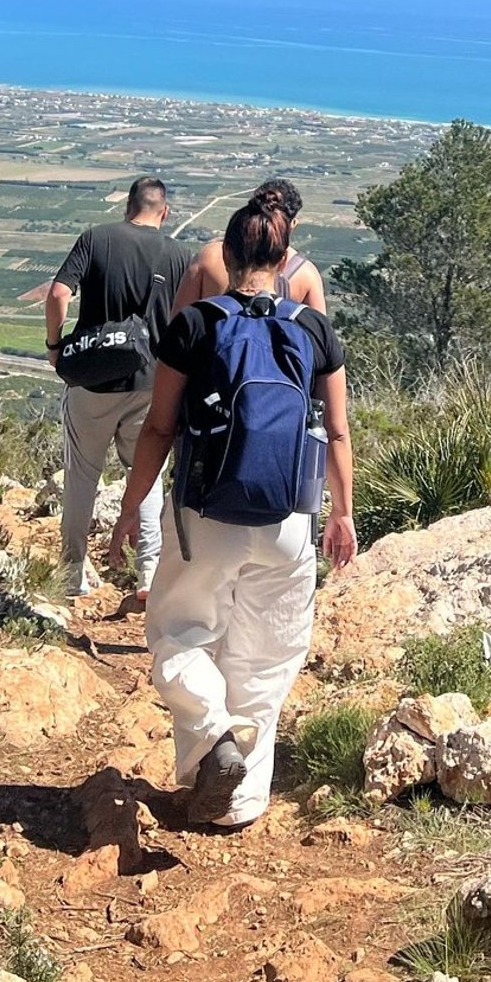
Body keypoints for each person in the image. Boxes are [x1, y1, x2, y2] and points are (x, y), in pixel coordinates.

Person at [108, 195, 357, 827]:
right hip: (288, 522)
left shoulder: (195, 325)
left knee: (178, 636)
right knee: (265, 658)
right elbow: (338, 431)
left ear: (227, 250)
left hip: (203, 519)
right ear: (283, 254)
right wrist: (342, 514)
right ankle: (237, 806)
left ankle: (214, 735)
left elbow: (160, 428)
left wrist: (129, 508)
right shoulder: (313, 328)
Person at [47, 177, 191, 604]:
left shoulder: (97, 239)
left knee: (81, 476)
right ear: (164, 212)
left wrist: (56, 348)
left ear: (127, 207)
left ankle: (72, 575)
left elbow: (58, 294)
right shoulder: (179, 256)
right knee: (145, 476)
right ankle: (148, 572)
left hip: (92, 381)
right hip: (152, 385)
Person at [171, 178, 327, 316]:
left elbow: (176, 323)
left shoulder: (210, 256)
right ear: (293, 224)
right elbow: (319, 339)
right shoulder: (306, 274)